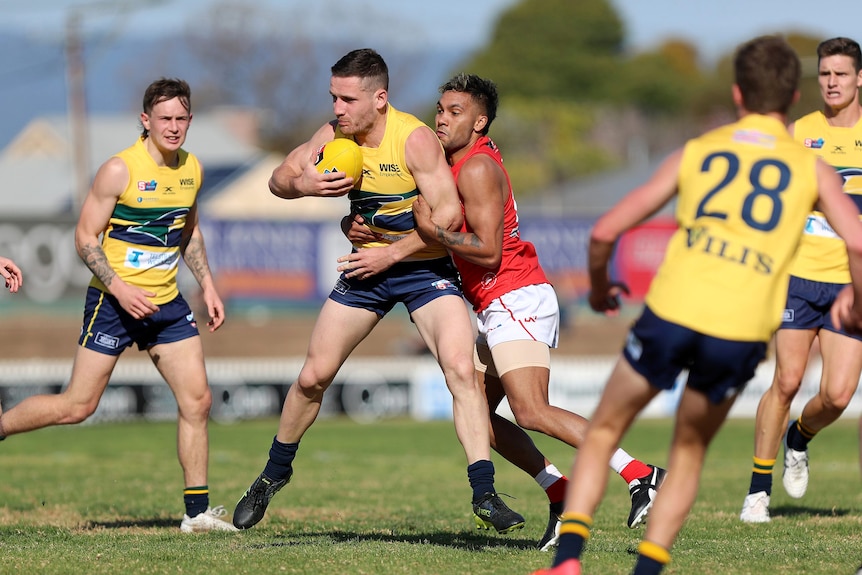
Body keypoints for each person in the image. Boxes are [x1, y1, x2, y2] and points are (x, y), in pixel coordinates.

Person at [532, 35, 862, 575]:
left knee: (606, 430)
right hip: (738, 328)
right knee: (688, 452)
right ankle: (648, 569)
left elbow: (606, 231)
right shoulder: (809, 165)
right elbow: (858, 242)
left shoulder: (700, 150)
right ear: (792, 97)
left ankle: (569, 560)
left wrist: (597, 288)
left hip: (672, 311)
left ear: (737, 94)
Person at [232, 49, 524, 534]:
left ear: (380, 98)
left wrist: (389, 252)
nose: (338, 108)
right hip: (366, 272)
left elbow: (448, 215)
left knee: (461, 371)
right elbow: (277, 180)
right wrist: (306, 185)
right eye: (334, 97)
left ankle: (485, 493)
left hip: (422, 269)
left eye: (348, 99)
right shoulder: (333, 135)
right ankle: (272, 475)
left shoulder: (414, 140)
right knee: (312, 378)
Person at [402, 73, 665, 549]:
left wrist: (433, 233)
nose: (442, 118)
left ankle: (640, 473)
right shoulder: (453, 163)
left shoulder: (478, 169)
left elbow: (487, 252)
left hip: (515, 295)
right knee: (474, 411)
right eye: (440, 109)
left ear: (480, 122)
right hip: (497, 301)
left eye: (455, 112)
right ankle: (561, 492)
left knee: (530, 410)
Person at [0, 78, 237, 533]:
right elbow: (84, 238)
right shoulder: (118, 170)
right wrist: (120, 288)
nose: (173, 127)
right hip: (112, 303)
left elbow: (188, 232)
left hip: (167, 303)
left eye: (181, 118)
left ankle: (197, 514)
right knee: (77, 406)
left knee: (198, 401)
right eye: (164, 118)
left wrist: (207, 285)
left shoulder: (192, 170)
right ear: (145, 120)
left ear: (190, 121)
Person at [740, 37, 862, 523]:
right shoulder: (799, 132)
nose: (831, 82)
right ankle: (757, 492)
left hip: (850, 284)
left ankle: (800, 437)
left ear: (859, 79)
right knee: (786, 380)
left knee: (836, 395)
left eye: (841, 74)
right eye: (825, 74)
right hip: (798, 276)